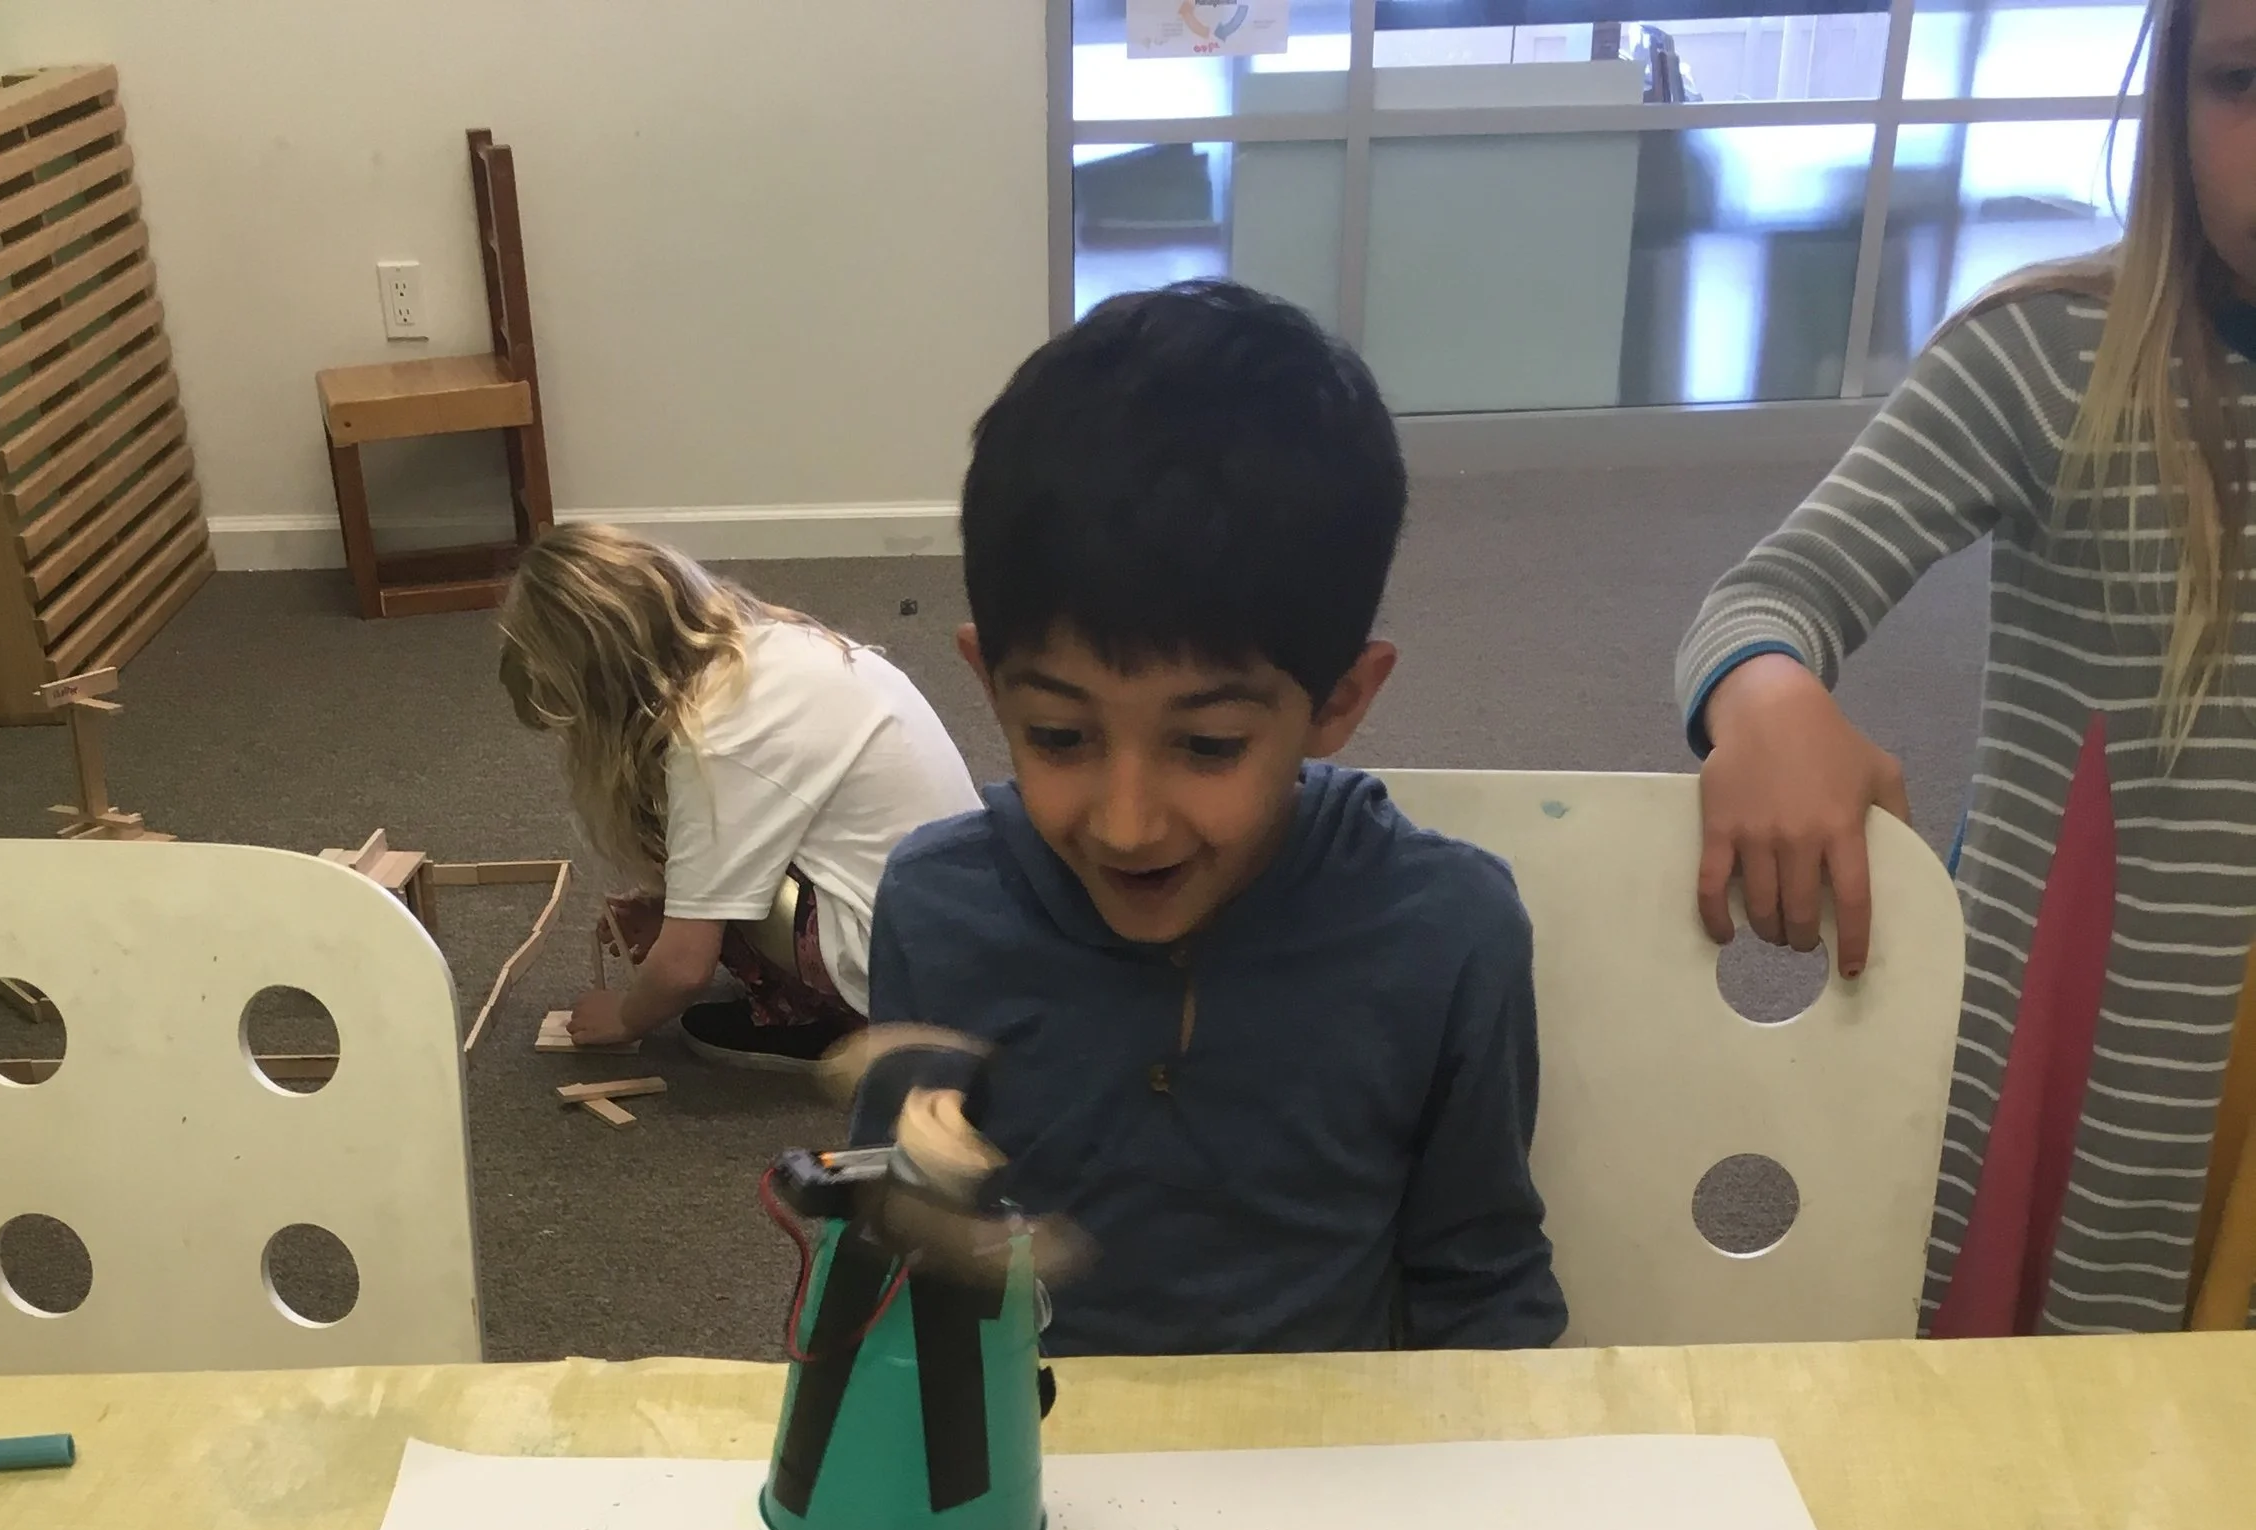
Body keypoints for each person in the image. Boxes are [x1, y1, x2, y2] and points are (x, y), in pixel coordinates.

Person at [1677, 0, 2256, 1335]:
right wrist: (1768, 699)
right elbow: (1767, 595)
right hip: (2072, 1061)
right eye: (2242, 81)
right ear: (2172, 95)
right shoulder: (2053, 356)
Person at [860, 283, 1566, 1355]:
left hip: (1341, 1480)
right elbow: (903, 1266)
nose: (1129, 824)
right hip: (1030, 1486)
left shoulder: (1447, 931)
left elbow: (1481, 1286)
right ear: (989, 686)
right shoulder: (936, 907)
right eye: (1059, 735)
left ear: (1338, 702)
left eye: (1206, 746)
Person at [498, 523, 977, 1068]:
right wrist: (676, 903)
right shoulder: (769, 647)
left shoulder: (712, 738)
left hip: (909, 976)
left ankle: (830, 1018)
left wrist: (627, 1014)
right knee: (702, 863)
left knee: (695, 867)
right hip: (955, 925)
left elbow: (683, 969)